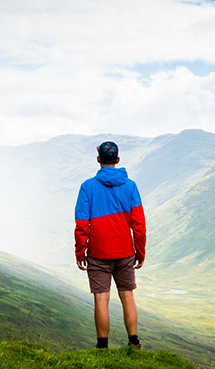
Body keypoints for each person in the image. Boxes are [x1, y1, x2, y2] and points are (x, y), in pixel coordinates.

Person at [74, 141, 146, 350]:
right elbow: (139, 225)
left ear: (98, 160)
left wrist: (80, 251)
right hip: (125, 253)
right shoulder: (130, 186)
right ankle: (134, 342)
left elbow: (81, 224)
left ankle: (102, 347)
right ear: (118, 160)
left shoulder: (87, 187)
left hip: (97, 253)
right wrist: (139, 251)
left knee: (101, 299)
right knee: (127, 296)